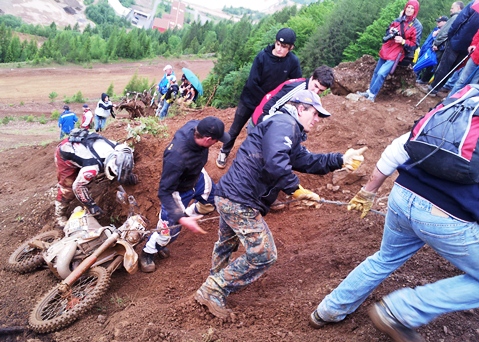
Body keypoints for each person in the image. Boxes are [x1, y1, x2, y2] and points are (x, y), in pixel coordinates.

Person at [195, 90, 368, 319]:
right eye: (315, 114)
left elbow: (306, 160)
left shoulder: (287, 130)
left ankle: (214, 283)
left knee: (226, 244)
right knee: (264, 254)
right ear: (300, 109)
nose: (317, 120)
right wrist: (296, 190)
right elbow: (276, 161)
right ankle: (213, 289)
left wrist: (340, 160)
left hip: (229, 195)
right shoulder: (285, 123)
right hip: (240, 200)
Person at [309, 132, 479, 342]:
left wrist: (368, 191)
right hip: (447, 216)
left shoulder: (456, 109)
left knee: (385, 257)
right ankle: (403, 309)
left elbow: (398, 147)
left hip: (403, 193)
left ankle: (328, 310)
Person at [139, 117, 230, 273]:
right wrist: (180, 218)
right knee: (168, 232)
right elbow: (164, 191)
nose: (218, 142)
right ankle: (148, 252)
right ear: (208, 139)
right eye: (217, 140)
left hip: (197, 176)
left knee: (213, 201)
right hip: (177, 191)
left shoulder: (195, 127)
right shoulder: (176, 157)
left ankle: (188, 214)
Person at [216, 27, 302, 169]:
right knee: (235, 129)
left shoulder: (292, 61)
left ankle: (248, 161)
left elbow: (295, 82)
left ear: (291, 48)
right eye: (278, 44)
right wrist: (265, 100)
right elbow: (252, 82)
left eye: (284, 46)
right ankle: (224, 151)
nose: (279, 49)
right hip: (250, 99)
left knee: (259, 134)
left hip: (270, 106)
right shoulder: (262, 56)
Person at [54, 131, 138, 227]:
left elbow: (124, 162)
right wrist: (91, 205)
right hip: (65, 152)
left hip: (86, 148)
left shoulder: (121, 149)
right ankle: (59, 215)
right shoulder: (92, 168)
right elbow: (77, 187)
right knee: (67, 188)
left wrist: (127, 175)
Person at [358, 0, 422, 103]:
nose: (409, 10)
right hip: (387, 49)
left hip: (397, 52)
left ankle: (372, 95)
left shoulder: (417, 26)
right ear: (405, 8)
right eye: (408, 7)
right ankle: (369, 92)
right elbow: (388, 30)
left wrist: (403, 41)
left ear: (415, 10)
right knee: (376, 72)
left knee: (382, 73)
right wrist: (390, 31)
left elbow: (415, 44)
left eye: (412, 8)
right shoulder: (398, 20)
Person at [424, 0, 478, 96]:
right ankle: (437, 88)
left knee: (445, 66)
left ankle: (433, 88)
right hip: (470, 47)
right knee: (453, 69)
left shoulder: (474, 4)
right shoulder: (475, 4)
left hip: (457, 41)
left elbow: (459, 20)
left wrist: (451, 35)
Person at [250, 65, 335, 127]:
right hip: (260, 121)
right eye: (316, 86)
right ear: (312, 77)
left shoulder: (308, 93)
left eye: (321, 90)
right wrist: (272, 129)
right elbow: (269, 107)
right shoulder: (297, 89)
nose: (316, 91)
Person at [415, 16, 448, 84]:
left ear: (445, 22)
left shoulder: (445, 32)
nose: (437, 22)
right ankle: (417, 78)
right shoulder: (436, 29)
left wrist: (434, 36)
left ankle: (424, 80)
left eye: (439, 21)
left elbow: (442, 44)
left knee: (430, 67)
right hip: (426, 49)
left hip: (434, 52)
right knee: (419, 65)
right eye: (437, 21)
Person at [448, 28, 479, 97]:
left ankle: (461, 104)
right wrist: (473, 44)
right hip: (475, 56)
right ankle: (450, 99)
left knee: (472, 87)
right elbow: (478, 35)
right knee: (461, 81)